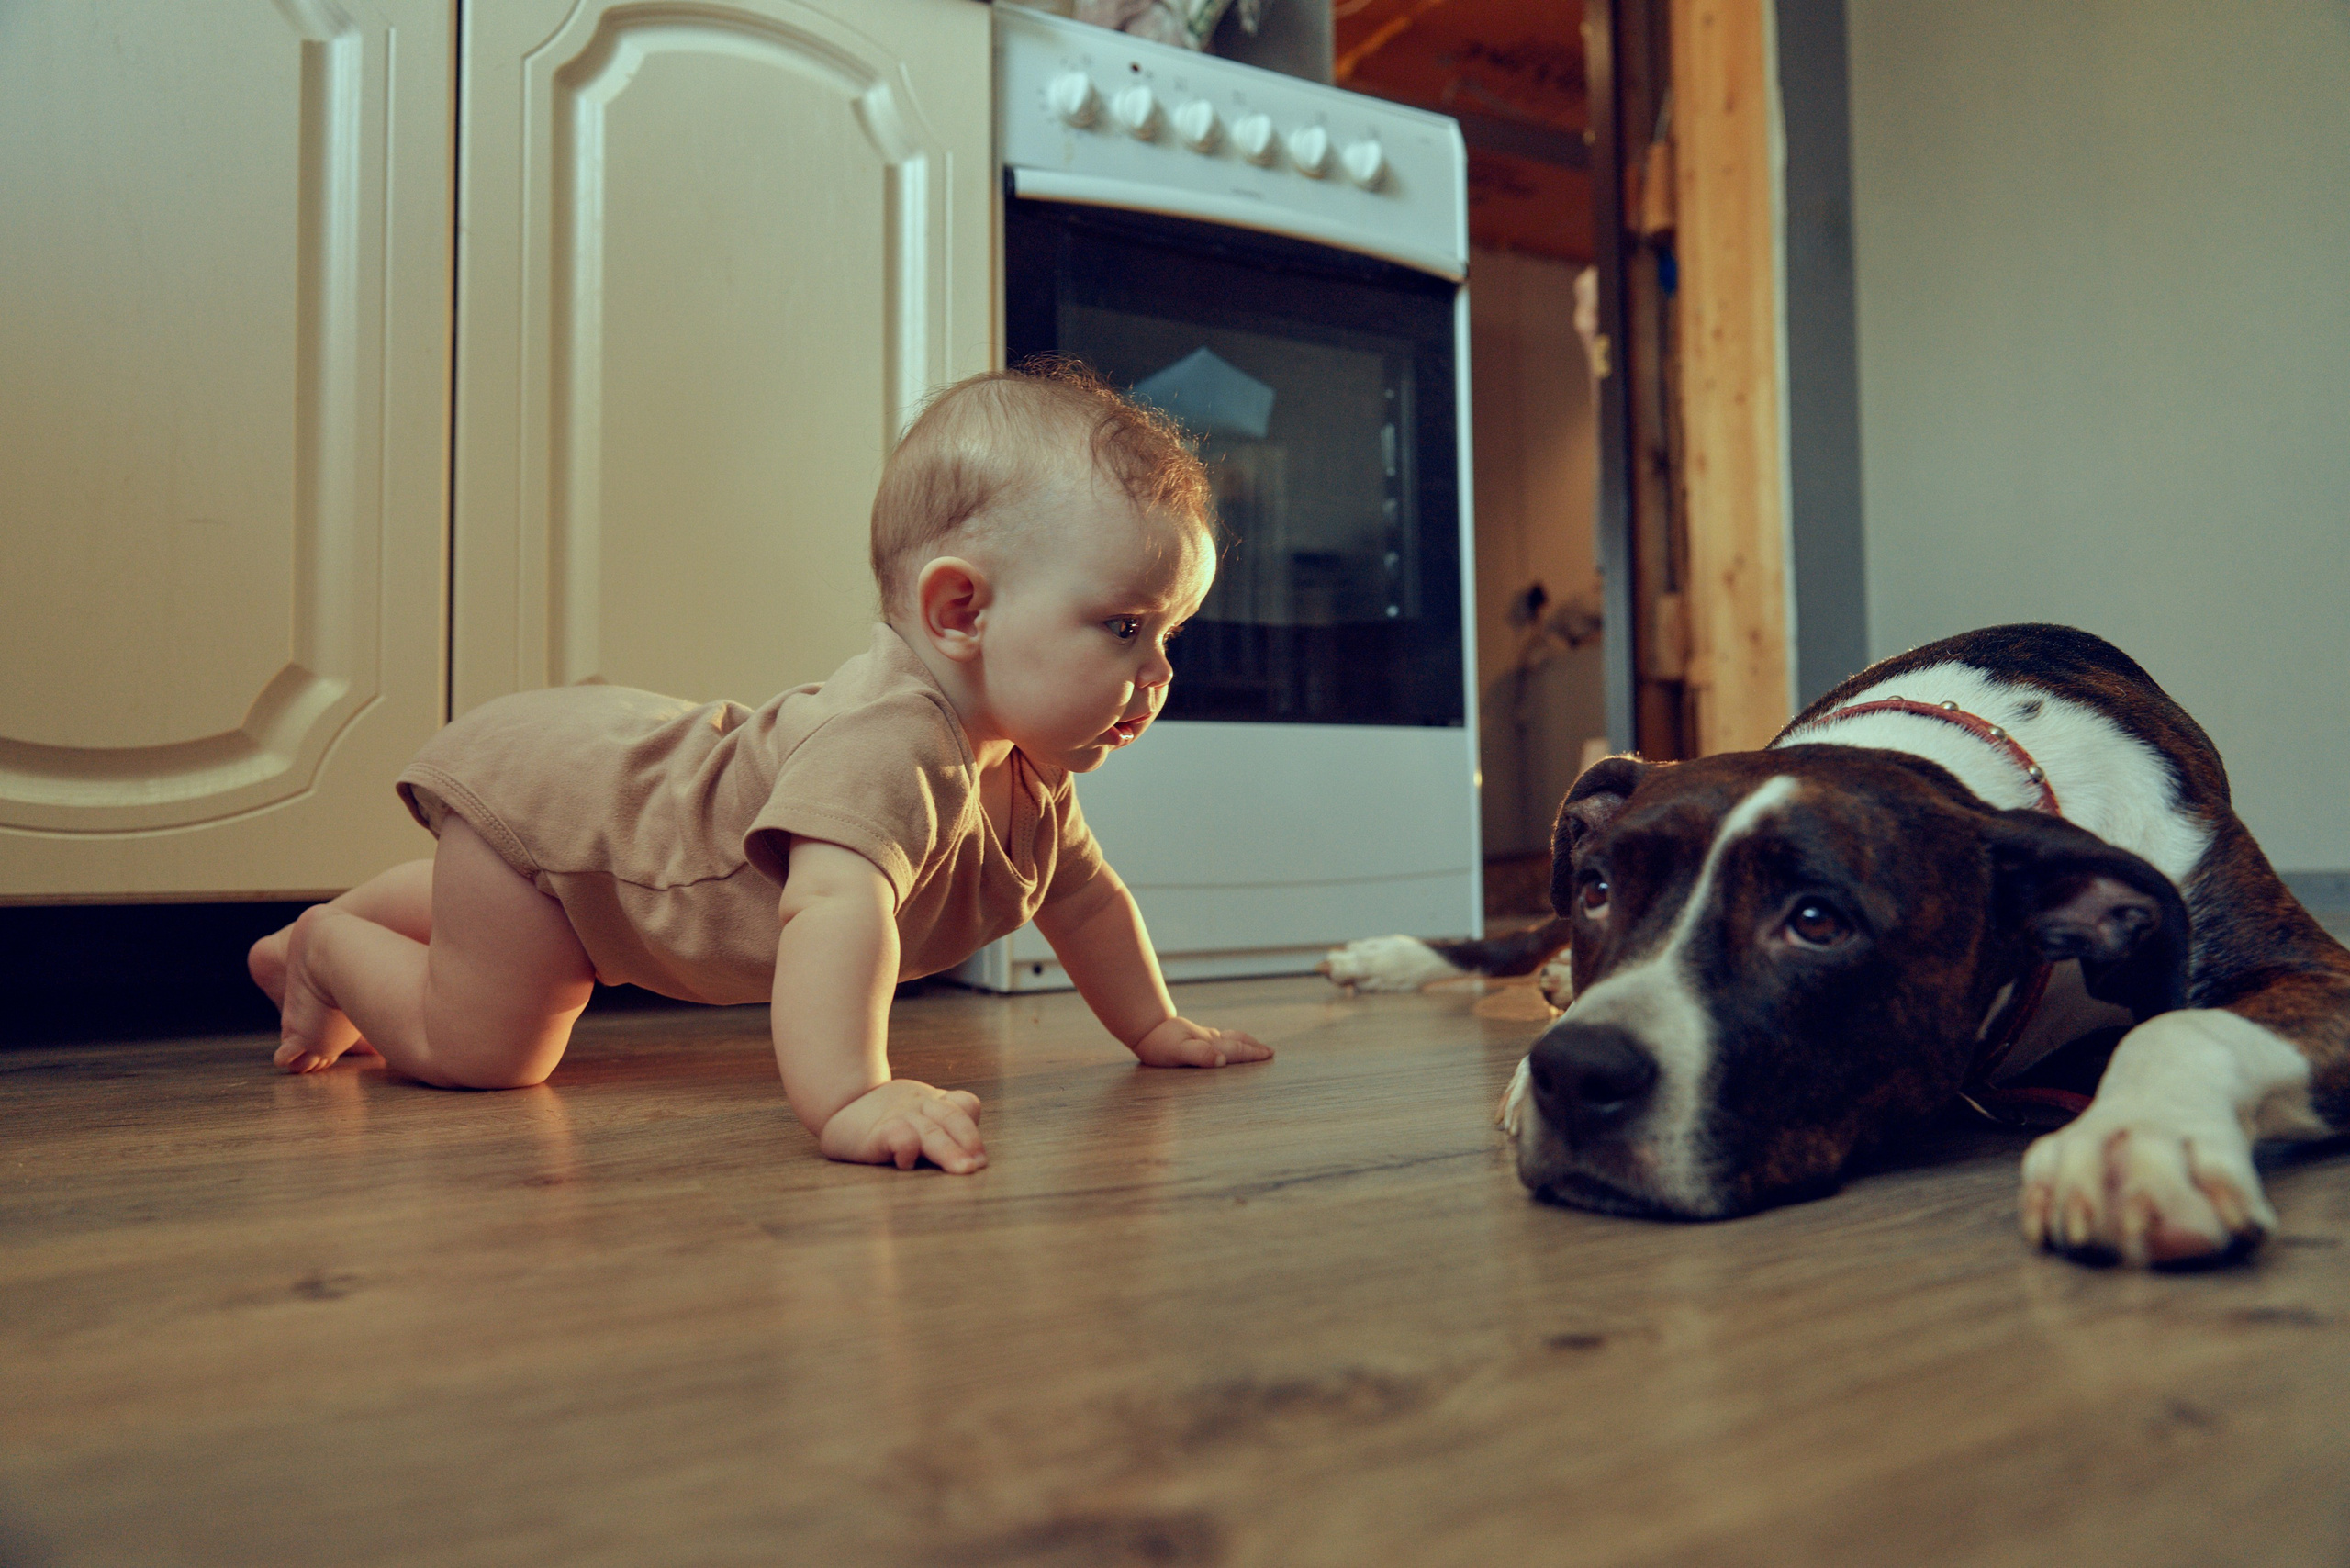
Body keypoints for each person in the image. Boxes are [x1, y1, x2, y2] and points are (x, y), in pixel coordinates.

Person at [246, 363, 1270, 1175]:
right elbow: (830, 915)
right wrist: (851, 1096)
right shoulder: (889, 744)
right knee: (492, 1052)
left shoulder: (1030, 772)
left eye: (1168, 632)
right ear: (962, 612)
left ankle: (400, 920)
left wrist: (1154, 1025)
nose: (1158, 672)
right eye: (1126, 627)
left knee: (532, 906)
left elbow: (1086, 903)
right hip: (554, 806)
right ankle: (330, 947)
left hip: (594, 847)